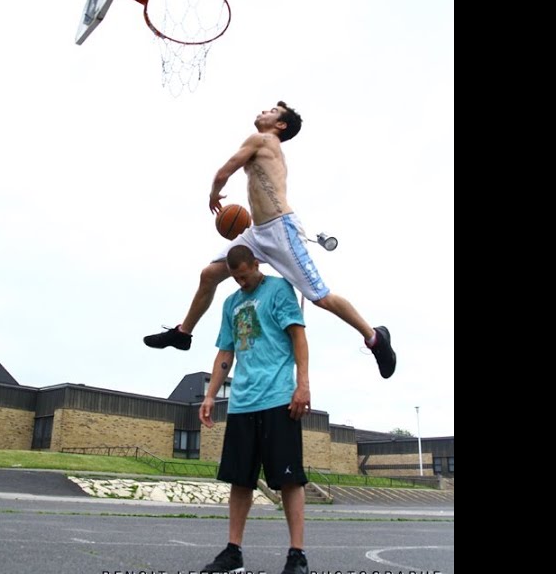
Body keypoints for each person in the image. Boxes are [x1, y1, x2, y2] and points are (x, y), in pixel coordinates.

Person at [144, 101, 397, 379]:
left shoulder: (263, 139)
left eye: (271, 112)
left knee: (321, 298)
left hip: (280, 231)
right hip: (257, 232)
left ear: (280, 125)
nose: (263, 111)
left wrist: (214, 194)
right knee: (209, 274)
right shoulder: (268, 145)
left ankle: (375, 338)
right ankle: (183, 334)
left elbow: (223, 172)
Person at [198, 245, 312, 574]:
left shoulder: (278, 289)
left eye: (245, 275)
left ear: (256, 263)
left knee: (290, 479)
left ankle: (297, 556)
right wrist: (210, 394)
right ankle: (233, 552)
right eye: (235, 277)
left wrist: (302, 384)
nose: (241, 281)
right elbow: (225, 351)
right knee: (240, 479)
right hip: (243, 402)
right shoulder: (230, 303)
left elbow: (298, 335)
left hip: (278, 397)